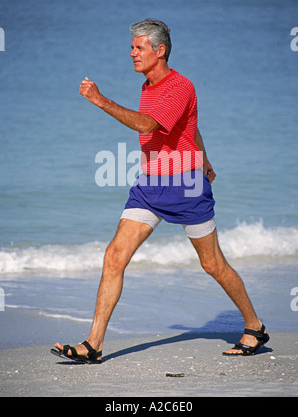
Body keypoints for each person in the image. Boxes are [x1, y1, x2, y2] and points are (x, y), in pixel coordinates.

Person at [51, 19, 269, 363]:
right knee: (114, 256)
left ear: (160, 50)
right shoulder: (148, 85)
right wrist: (206, 156)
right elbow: (188, 127)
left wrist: (100, 100)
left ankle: (254, 326)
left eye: (139, 47)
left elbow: (148, 124)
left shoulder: (179, 86)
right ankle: (93, 344)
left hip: (186, 187)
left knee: (212, 264)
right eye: (132, 47)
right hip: (149, 186)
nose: (132, 53)